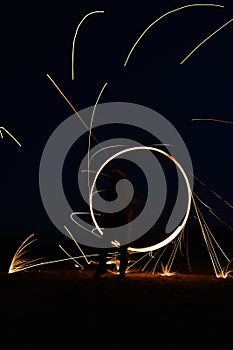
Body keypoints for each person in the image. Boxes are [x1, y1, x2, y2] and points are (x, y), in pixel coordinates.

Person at [93, 169, 134, 278]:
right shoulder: (118, 191)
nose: (111, 180)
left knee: (111, 248)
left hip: (118, 222)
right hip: (116, 222)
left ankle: (108, 269)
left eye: (113, 178)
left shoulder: (121, 191)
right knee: (119, 248)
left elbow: (124, 208)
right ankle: (118, 271)